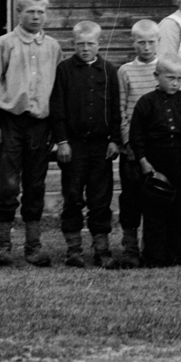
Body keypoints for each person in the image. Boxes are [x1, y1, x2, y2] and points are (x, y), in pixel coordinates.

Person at [0, 0, 64, 267]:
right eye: (30, 12)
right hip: (10, 122)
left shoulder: (53, 47)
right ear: (19, 13)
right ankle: (3, 246)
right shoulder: (5, 43)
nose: (36, 17)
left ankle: (33, 246)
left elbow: (58, 91)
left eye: (41, 12)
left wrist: (57, 130)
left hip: (40, 125)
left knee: (35, 185)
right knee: (8, 185)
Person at [48, 19, 119, 268]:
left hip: (101, 147)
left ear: (99, 44)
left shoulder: (109, 71)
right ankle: (74, 249)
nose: (85, 49)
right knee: (73, 197)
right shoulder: (64, 70)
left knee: (101, 199)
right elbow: (57, 108)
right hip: (74, 146)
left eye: (90, 44)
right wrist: (63, 142)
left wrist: (115, 140)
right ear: (73, 44)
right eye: (80, 44)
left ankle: (102, 249)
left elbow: (115, 109)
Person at [127, 56, 181, 268]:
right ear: (157, 76)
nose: (175, 83)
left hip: (180, 161)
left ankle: (177, 256)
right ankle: (154, 257)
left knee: (179, 212)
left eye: (179, 78)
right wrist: (143, 161)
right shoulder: (146, 102)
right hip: (155, 161)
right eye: (170, 78)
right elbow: (136, 135)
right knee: (154, 213)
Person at [109, 18, 161, 269]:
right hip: (132, 149)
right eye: (141, 42)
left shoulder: (163, 69)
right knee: (130, 199)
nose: (147, 47)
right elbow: (121, 110)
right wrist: (127, 142)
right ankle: (129, 249)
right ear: (133, 43)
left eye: (152, 42)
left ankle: (150, 247)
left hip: (157, 147)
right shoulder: (125, 71)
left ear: (159, 42)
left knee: (154, 198)